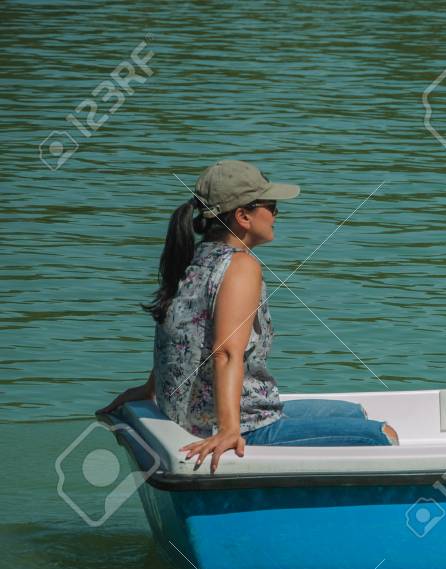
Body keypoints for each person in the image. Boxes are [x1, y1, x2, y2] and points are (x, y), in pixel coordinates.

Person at [98, 160, 397, 472]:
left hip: (205, 416)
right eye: (271, 206)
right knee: (382, 435)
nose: (277, 214)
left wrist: (151, 389)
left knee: (356, 414)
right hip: (242, 424)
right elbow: (225, 352)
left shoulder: (196, 259)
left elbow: (186, 339)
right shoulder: (240, 266)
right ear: (243, 216)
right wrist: (230, 430)